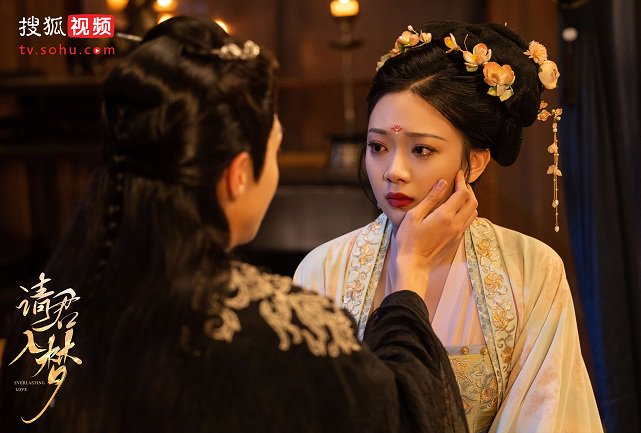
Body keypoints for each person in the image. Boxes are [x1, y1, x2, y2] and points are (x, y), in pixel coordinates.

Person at [0, 16, 474, 433]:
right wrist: (409, 279)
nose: (394, 171)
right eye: (275, 149)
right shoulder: (289, 329)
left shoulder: (42, 315)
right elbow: (407, 418)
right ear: (239, 175)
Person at [294, 21, 603, 433]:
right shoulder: (323, 271)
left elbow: (548, 418)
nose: (393, 171)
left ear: (474, 161)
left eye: (421, 149)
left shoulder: (530, 270)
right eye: (378, 146)